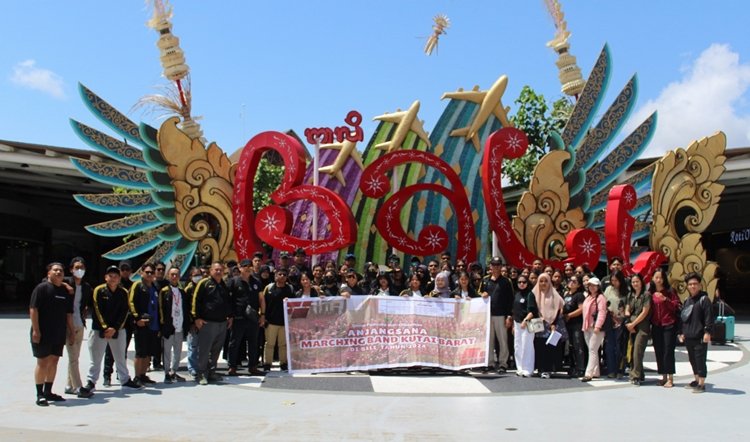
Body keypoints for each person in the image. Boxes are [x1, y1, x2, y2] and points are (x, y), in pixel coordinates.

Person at [78, 265, 142, 398]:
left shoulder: (123, 292)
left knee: (120, 357)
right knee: (95, 359)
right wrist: (105, 327)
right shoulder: (98, 290)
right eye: (110, 276)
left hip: (118, 330)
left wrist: (115, 328)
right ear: (105, 277)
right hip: (99, 330)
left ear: (119, 279)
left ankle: (125, 380)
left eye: (116, 276)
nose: (113, 279)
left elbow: (125, 311)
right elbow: (96, 309)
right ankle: (91, 381)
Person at [29, 262, 75, 406]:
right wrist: (36, 330)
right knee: (42, 361)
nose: (58, 272)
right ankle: (40, 394)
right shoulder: (41, 288)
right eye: (55, 270)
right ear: (48, 273)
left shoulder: (64, 291)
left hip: (58, 332)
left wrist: (71, 331)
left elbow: (68, 314)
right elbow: (33, 309)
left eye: (60, 270)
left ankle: (49, 391)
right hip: (43, 332)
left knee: (54, 360)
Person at [192, 262, 233, 385]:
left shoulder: (224, 285)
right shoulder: (203, 283)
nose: (219, 272)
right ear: (211, 271)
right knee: (204, 350)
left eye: (221, 270)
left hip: (222, 323)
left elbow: (227, 302)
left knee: (216, 350)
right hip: (207, 323)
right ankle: (201, 374)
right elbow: (196, 300)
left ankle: (211, 372)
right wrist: (196, 318)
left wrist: (230, 316)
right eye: (216, 270)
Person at [225, 259, 264, 376]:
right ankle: (232, 366)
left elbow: (261, 299)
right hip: (238, 317)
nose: (247, 268)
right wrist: (229, 316)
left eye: (249, 266)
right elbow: (228, 300)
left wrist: (262, 315)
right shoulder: (233, 282)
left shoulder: (256, 282)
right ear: (239, 267)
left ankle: (253, 366)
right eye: (244, 266)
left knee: (253, 343)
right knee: (234, 343)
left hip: (253, 318)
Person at [679, 272, 714, 393]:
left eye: (695, 284)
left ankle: (702, 383)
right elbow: (684, 318)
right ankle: (696, 379)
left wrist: (707, 332)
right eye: (690, 284)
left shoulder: (704, 300)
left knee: (700, 359)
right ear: (687, 286)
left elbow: (709, 317)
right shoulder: (687, 300)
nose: (693, 286)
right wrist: (682, 333)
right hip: (689, 335)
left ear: (700, 285)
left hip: (700, 336)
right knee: (692, 359)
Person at [103, 259, 135, 387]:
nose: (125, 272)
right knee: (109, 350)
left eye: (128, 269)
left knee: (123, 351)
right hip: (112, 323)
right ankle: (107, 375)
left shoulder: (132, 285)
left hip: (126, 323)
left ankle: (121, 374)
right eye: (123, 269)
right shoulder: (111, 285)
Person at [480, 257, 514, 373]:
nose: (496, 267)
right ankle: (489, 363)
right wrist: (482, 294)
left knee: (503, 340)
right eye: (493, 265)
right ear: (490, 266)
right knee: (489, 340)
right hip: (488, 315)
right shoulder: (485, 280)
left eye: (498, 265)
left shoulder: (506, 281)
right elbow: (478, 293)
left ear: (501, 266)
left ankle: (503, 363)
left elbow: (511, 300)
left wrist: (509, 316)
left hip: (501, 315)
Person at [64, 256, 92, 396]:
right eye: (77, 268)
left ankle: (69, 385)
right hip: (68, 325)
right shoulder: (65, 282)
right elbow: (46, 281)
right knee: (73, 358)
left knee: (75, 357)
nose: (79, 270)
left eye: (82, 268)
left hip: (80, 324)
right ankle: (79, 387)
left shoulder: (86, 287)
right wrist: (65, 285)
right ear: (71, 269)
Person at [129, 262, 161, 385]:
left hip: (153, 325)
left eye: (151, 272)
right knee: (140, 352)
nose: (149, 274)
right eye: (146, 272)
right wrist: (137, 319)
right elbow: (131, 303)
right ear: (141, 273)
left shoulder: (155, 287)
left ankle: (143, 375)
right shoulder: (137, 286)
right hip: (141, 324)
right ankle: (137, 377)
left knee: (148, 352)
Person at [650, 268, 680, 388]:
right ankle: (663, 376)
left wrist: (665, 299)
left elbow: (677, 306)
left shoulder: (670, 291)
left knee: (668, 350)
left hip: (669, 324)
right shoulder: (650, 292)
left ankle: (671, 378)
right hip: (656, 325)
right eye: (656, 277)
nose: (658, 280)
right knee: (659, 350)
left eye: (660, 277)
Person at [159, 266, 190, 383]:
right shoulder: (164, 291)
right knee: (167, 351)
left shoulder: (182, 292)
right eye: (172, 274)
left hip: (180, 325)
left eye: (176, 274)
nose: (174, 276)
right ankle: (167, 372)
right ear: (168, 276)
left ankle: (174, 372)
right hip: (168, 326)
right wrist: (163, 325)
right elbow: (161, 309)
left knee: (178, 351)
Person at [532, 273, 564, 378]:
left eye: (546, 281)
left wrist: (553, 323)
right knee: (538, 346)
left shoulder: (554, 295)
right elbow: (530, 308)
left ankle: (548, 369)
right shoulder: (534, 293)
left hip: (550, 325)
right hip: (537, 324)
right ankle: (540, 368)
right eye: (541, 281)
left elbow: (559, 310)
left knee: (549, 347)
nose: (543, 283)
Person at [262, 268, 294, 371]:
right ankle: (267, 363)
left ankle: (283, 363)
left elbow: (294, 304)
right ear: (275, 276)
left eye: (284, 274)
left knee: (283, 345)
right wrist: (263, 316)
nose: (282, 276)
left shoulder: (290, 289)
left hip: (285, 322)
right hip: (271, 322)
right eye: (279, 274)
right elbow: (263, 303)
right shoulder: (269, 288)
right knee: (269, 344)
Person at [624, 273, 651, 386]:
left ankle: (635, 375)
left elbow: (645, 312)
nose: (635, 284)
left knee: (637, 352)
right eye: (633, 282)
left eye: (637, 281)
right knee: (633, 350)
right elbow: (627, 307)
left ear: (641, 282)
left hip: (642, 326)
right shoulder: (630, 295)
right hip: (631, 326)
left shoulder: (646, 295)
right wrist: (627, 313)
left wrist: (633, 324)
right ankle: (640, 374)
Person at [581, 277, 607, 382]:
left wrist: (598, 326)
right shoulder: (588, 297)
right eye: (590, 285)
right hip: (587, 326)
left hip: (596, 327)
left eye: (594, 285)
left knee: (592, 349)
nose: (592, 287)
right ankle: (596, 371)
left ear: (598, 286)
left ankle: (588, 373)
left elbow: (602, 312)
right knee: (593, 350)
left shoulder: (601, 297)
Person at [603, 270, 629, 378]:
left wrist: (622, 317)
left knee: (620, 348)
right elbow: (604, 303)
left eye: (616, 280)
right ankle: (611, 369)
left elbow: (628, 306)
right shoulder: (609, 289)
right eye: (612, 280)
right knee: (609, 347)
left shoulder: (626, 292)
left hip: (622, 322)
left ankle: (620, 369)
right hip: (610, 321)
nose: (614, 283)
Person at [512, 275, 537, 377]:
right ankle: (520, 368)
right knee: (518, 346)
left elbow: (532, 311)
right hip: (517, 323)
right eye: (519, 282)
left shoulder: (530, 294)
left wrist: (525, 320)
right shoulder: (517, 294)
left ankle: (528, 369)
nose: (521, 284)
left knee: (527, 346)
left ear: (527, 283)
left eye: (524, 282)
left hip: (527, 323)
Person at [562, 275, 586, 378]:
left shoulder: (579, 295)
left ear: (579, 285)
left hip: (576, 323)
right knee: (571, 346)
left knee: (578, 345)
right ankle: (573, 366)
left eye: (574, 281)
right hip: (567, 324)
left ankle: (581, 368)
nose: (571, 282)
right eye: (570, 280)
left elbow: (581, 309)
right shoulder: (566, 294)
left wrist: (569, 315)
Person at [183, 266, 203, 377]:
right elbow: (186, 308)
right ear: (191, 277)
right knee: (193, 346)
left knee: (203, 347)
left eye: (199, 275)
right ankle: (192, 368)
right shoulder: (188, 289)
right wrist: (191, 322)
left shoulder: (204, 286)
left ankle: (202, 367)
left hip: (204, 322)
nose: (198, 277)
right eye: (195, 275)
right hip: (192, 323)